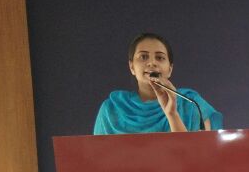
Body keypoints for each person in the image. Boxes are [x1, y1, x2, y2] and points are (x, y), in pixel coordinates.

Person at [94, 32, 224, 134]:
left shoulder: (191, 104)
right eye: (143, 57)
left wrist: (172, 114)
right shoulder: (112, 109)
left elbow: (203, 154)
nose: (152, 63)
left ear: (170, 69)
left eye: (160, 58)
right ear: (132, 67)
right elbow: (97, 156)